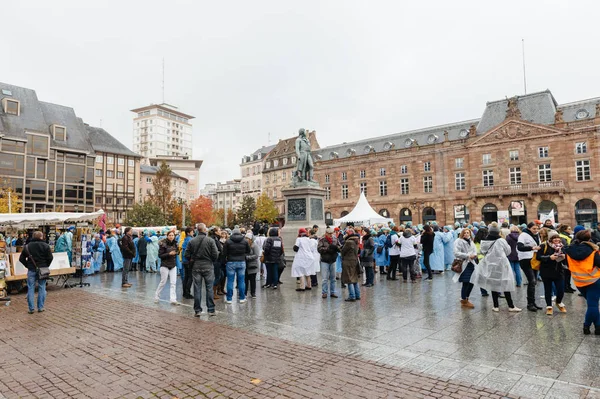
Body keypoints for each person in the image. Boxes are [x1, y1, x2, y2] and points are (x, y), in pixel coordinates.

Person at [473, 224, 521, 312]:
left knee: (493, 284)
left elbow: (483, 251)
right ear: (498, 231)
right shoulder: (501, 240)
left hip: (490, 265)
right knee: (506, 283)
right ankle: (511, 306)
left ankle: (496, 306)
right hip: (502, 264)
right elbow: (508, 251)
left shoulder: (484, 240)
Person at [185, 223, 218, 316]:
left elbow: (186, 254)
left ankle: (197, 310)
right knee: (209, 288)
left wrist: (192, 259)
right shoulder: (210, 241)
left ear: (197, 230)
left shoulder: (192, 241)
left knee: (197, 288)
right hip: (208, 266)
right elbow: (215, 254)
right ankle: (211, 310)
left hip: (196, 266)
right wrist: (211, 259)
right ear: (204, 230)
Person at [20, 231, 53, 314]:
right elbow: (50, 257)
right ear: (41, 237)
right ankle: (40, 307)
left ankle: (31, 308)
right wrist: (46, 265)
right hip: (43, 270)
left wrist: (28, 265)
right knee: (42, 287)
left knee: (31, 288)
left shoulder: (27, 246)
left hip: (31, 269)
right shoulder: (45, 246)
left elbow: (21, 259)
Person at [538, 230, 567, 315]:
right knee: (548, 290)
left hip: (558, 271)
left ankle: (558, 302)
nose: (556, 239)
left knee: (561, 289)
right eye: (554, 238)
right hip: (546, 271)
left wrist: (564, 257)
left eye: (557, 237)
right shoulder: (543, 245)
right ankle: (549, 307)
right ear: (550, 239)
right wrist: (549, 257)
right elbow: (538, 257)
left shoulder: (562, 246)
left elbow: (567, 257)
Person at [518, 222, 543, 312]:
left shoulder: (537, 235)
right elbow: (519, 247)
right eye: (534, 229)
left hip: (534, 260)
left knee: (534, 281)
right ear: (529, 228)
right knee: (532, 281)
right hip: (525, 260)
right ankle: (530, 304)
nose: (536, 230)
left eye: (537, 228)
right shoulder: (523, 235)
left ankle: (533, 302)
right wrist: (532, 248)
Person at [223, 228, 251, 304]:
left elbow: (224, 253)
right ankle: (242, 298)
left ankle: (229, 299)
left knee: (230, 281)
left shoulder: (228, 241)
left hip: (230, 262)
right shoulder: (245, 241)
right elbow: (248, 251)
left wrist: (224, 261)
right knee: (241, 281)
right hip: (241, 262)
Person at [453, 228, 478, 308]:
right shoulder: (458, 241)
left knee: (472, 282)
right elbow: (456, 253)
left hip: (471, 264)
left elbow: (475, 250)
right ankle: (463, 300)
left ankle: (466, 298)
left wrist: (474, 255)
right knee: (465, 282)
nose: (466, 234)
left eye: (468, 233)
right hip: (464, 264)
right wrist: (467, 255)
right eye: (465, 233)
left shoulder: (471, 241)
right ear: (462, 234)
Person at [155, 230, 180, 305]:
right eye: (170, 235)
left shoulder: (176, 243)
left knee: (173, 283)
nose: (171, 237)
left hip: (173, 265)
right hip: (164, 265)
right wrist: (169, 254)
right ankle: (157, 296)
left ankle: (173, 299)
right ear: (167, 236)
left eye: (172, 235)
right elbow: (160, 256)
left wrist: (178, 251)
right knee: (163, 282)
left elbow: (177, 252)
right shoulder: (163, 244)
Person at [318, 226, 340, 298]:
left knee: (333, 278)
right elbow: (319, 249)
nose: (331, 235)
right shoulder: (322, 240)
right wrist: (327, 249)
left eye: (332, 233)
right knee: (325, 278)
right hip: (325, 261)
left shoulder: (335, 239)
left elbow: (339, 246)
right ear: (326, 233)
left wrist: (337, 248)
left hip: (333, 260)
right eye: (329, 233)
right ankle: (324, 292)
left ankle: (333, 292)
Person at [341, 230, 361, 301]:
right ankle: (357, 295)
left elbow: (343, 251)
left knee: (349, 279)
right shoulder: (356, 242)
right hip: (355, 261)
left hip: (348, 261)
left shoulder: (349, 242)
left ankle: (352, 296)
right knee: (355, 278)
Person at [557, 224, 576, 293]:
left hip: (568, 255)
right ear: (565, 230)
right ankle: (565, 287)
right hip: (565, 256)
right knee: (566, 272)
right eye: (569, 229)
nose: (570, 230)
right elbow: (565, 247)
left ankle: (568, 286)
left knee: (568, 272)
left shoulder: (567, 236)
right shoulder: (562, 237)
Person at [244, 232, 261, 298]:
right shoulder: (244, 245)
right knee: (245, 280)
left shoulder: (254, 245)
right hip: (245, 265)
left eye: (247, 238)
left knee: (252, 280)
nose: (246, 239)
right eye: (245, 238)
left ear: (251, 239)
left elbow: (256, 255)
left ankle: (253, 293)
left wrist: (247, 257)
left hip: (252, 265)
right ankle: (244, 293)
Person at [181, 227, 195, 299]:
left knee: (186, 277)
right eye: (192, 232)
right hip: (189, 260)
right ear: (188, 233)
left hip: (184, 260)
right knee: (190, 277)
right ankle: (187, 293)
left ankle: (184, 292)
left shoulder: (185, 239)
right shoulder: (191, 240)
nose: (193, 233)